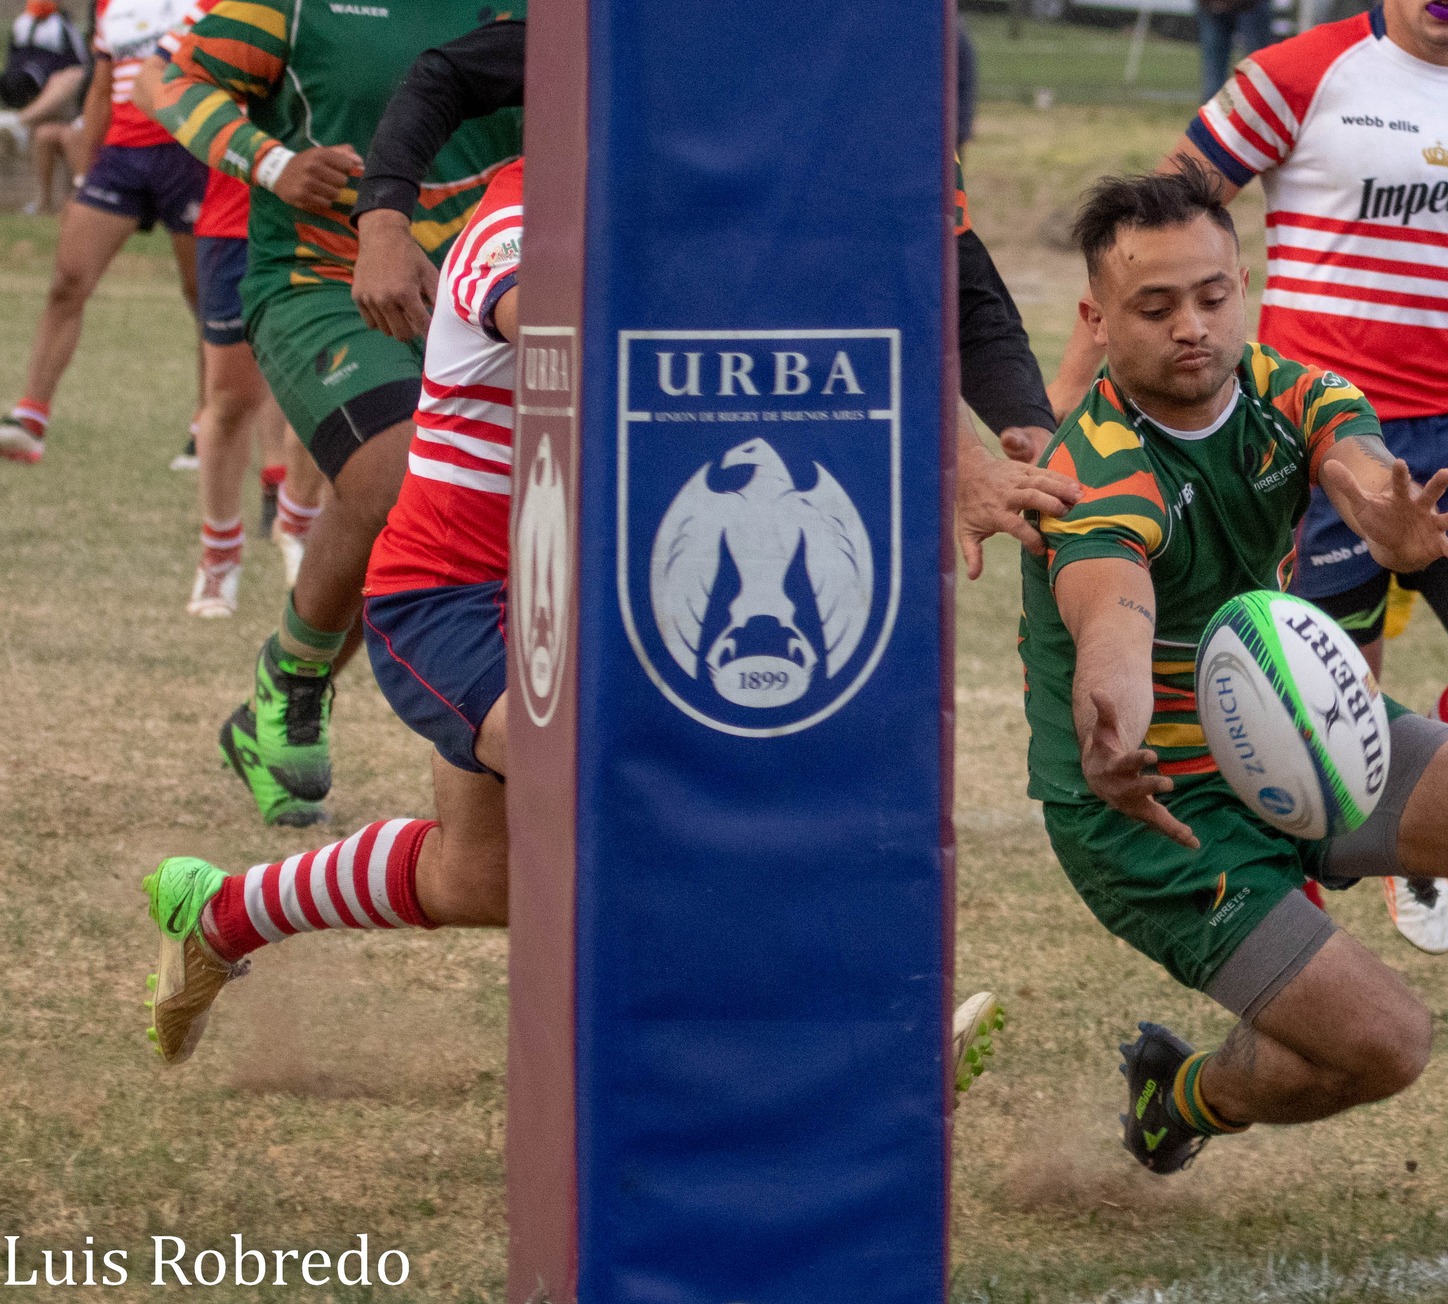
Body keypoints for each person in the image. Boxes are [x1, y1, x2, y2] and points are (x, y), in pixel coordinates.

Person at [140, 155, 1013, 1099]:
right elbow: (573, 337)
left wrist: (961, 453)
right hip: (448, 604)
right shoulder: (513, 226)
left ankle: (224, 913)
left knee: (478, 880)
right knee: (646, 783)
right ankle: (862, 1034)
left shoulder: (673, 235)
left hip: (582, 606)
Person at [1025, 163, 1448, 1193]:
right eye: (1155, 305)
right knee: (1381, 1045)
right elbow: (1111, 605)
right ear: (1096, 318)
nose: (1192, 326)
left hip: (1288, 728)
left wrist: (1383, 514)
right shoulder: (1094, 465)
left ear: (1243, 284)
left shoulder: (1287, 389)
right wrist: (1113, 708)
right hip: (1150, 805)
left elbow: (1349, 458)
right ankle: (1174, 1097)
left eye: (1213, 296)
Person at [1054, 0, 1448, 955]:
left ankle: (1411, 844)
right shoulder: (1297, 74)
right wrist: (1069, 405)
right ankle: (1308, 943)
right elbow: (1143, 239)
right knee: (1314, 719)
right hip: (1311, 439)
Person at [341, 17, 1082, 591]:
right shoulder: (655, 27)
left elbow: (956, 280)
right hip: (649, 347)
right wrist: (381, 220)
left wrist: (1027, 429)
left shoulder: (893, 101)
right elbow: (452, 74)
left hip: (750, 394)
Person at [150, 1, 526, 827]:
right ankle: (293, 682)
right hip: (323, 279)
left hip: (492, 288)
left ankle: (490, 763)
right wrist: (272, 160)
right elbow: (169, 79)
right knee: (395, 470)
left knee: (485, 519)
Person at [138, 3, 322, 616]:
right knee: (232, 398)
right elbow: (152, 85)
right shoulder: (228, 10)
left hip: (322, 226)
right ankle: (219, 555)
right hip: (233, 222)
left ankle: (297, 523)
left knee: (328, 389)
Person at [0, 0, 205, 466]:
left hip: (188, 154)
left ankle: (206, 425)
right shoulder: (110, 5)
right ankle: (30, 420)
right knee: (67, 280)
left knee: (206, 299)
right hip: (120, 158)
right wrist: (81, 175)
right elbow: (101, 87)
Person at [3, 0, 88, 213]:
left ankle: (80, 200)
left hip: (61, 94)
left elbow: (79, 62)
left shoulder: (63, 27)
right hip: (22, 88)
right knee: (44, 134)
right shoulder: (21, 23)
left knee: (64, 135)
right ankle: (44, 202)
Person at [1198, 0, 1273, 102]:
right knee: (1258, 70)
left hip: (1252, 5)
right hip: (1215, 7)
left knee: (1258, 71)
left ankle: (1261, 107)